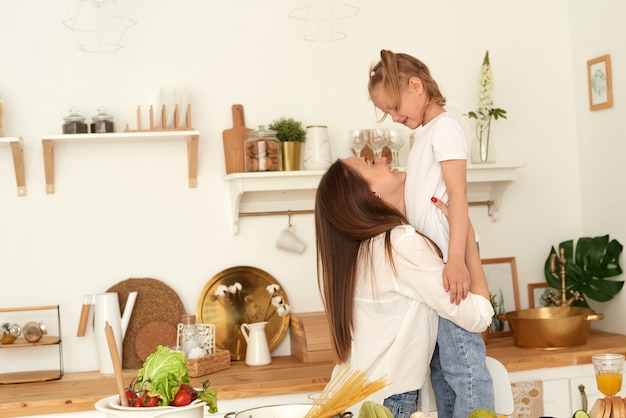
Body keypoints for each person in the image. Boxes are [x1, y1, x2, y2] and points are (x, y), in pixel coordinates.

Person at [314, 157, 494, 418]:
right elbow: (477, 316)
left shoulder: (363, 251)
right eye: (371, 162)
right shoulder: (399, 245)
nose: (384, 158)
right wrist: (465, 235)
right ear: (371, 194)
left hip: (344, 402)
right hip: (383, 404)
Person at [367, 50, 494, 418]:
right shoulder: (422, 136)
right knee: (441, 367)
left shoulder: (446, 128)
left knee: (463, 364)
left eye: (394, 107)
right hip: (437, 259)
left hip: (450, 258)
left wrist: (455, 260)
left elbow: (458, 195)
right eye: (387, 113)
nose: (394, 117)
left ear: (416, 85)